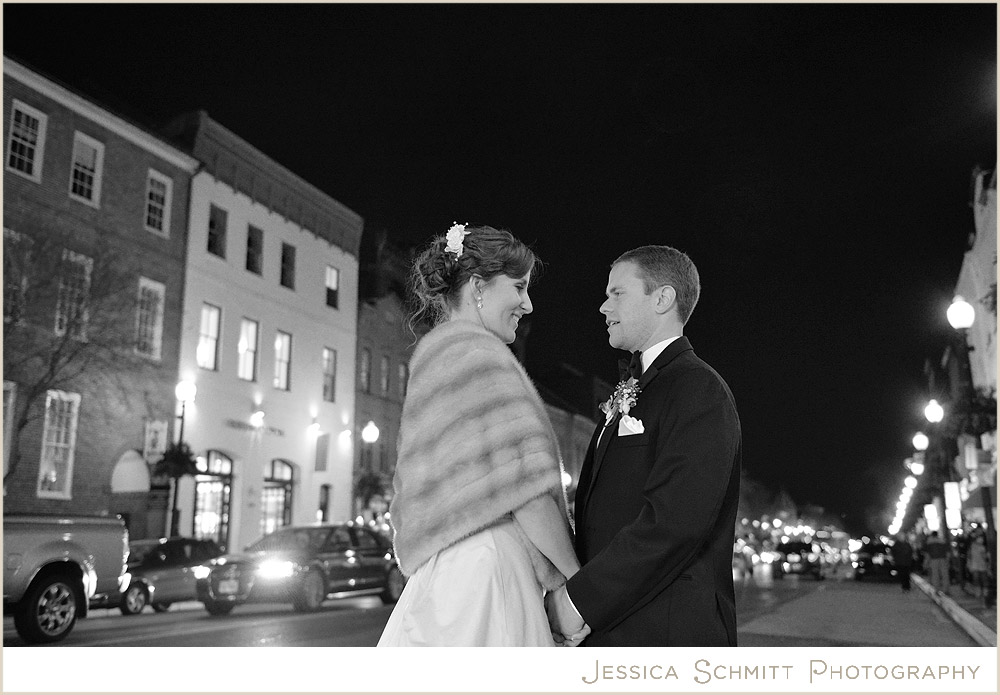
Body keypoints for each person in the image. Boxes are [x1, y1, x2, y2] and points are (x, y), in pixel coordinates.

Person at [377, 223, 583, 647]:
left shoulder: (433, 360)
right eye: (519, 287)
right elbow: (525, 492)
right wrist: (578, 583)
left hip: (441, 577)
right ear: (478, 287)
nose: (527, 304)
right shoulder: (481, 359)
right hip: (489, 575)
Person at [545, 245, 742, 646]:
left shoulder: (699, 389)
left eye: (617, 293)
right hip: (617, 629)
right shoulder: (634, 388)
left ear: (663, 298)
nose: (603, 307)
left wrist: (577, 602)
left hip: (666, 634)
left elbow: (674, 523)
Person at [965, 533, 989, 599]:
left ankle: (984, 593)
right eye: (980, 539)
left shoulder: (982, 547)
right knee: (977, 580)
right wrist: (969, 564)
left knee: (983, 579)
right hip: (975, 566)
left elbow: (985, 558)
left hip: (981, 566)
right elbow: (969, 556)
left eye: (982, 539)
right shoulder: (973, 547)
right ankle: (979, 593)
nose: (981, 540)